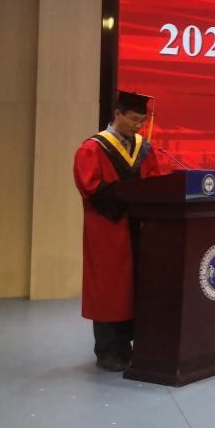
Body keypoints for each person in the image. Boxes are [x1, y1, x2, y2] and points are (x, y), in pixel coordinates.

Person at [73, 91, 164, 372]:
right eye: (134, 119)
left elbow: (156, 183)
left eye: (142, 120)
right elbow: (90, 186)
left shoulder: (143, 149)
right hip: (108, 229)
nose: (138, 125)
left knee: (134, 287)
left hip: (138, 228)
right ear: (117, 114)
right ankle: (107, 350)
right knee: (108, 288)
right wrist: (128, 200)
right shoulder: (93, 148)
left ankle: (126, 345)